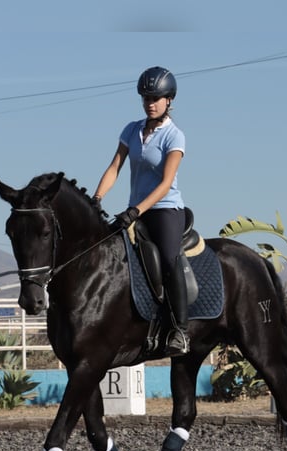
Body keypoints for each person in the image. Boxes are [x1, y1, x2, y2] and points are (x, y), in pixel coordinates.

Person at [93, 66, 189, 356]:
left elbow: (165, 183)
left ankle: (181, 331)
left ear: (169, 100)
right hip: (135, 210)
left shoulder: (174, 136)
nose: (150, 103)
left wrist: (136, 210)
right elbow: (115, 168)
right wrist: (96, 198)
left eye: (157, 98)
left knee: (170, 261)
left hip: (165, 209)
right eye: (146, 98)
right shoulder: (131, 130)